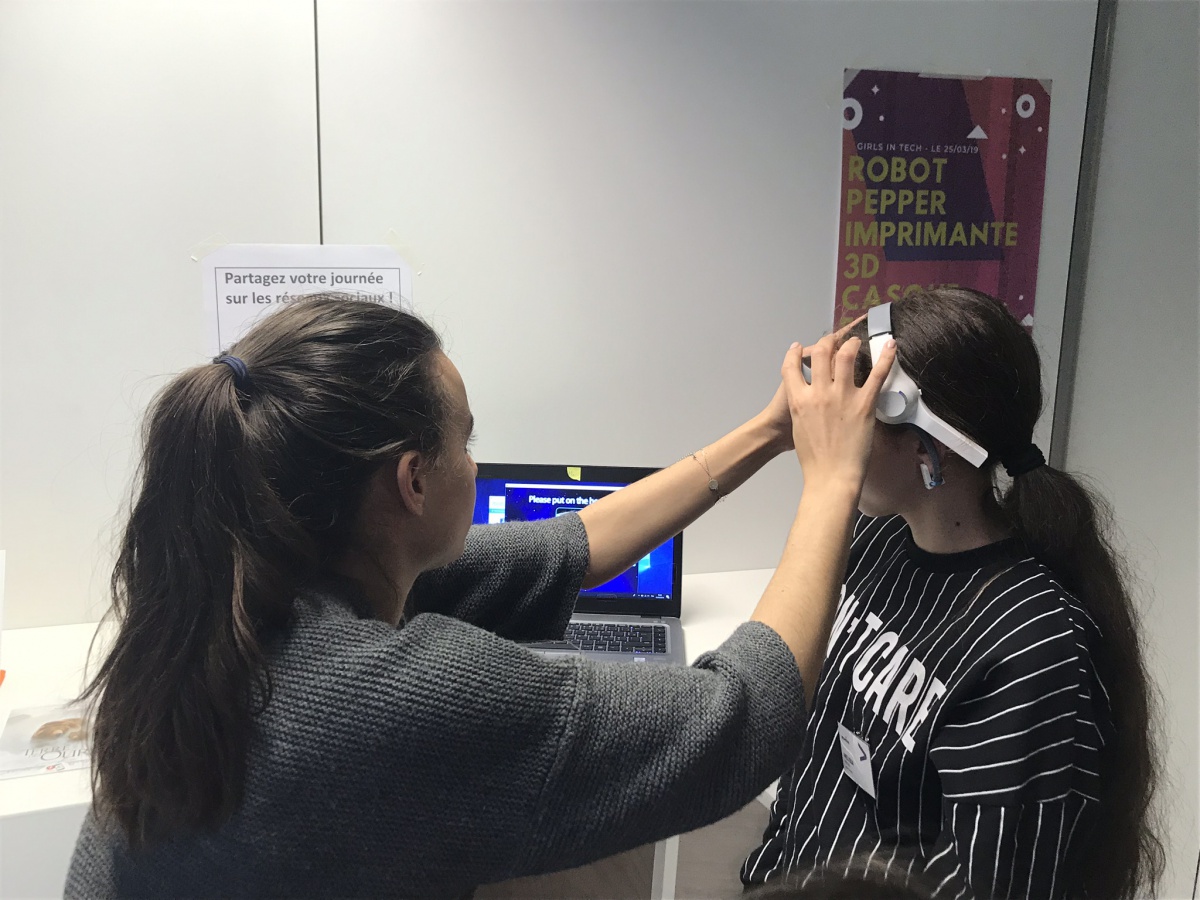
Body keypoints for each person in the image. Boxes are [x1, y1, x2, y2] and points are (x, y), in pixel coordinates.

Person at [66, 293, 896, 899]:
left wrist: (771, 431)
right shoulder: (395, 698)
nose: (476, 463)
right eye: (467, 442)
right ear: (412, 481)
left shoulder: (238, 598)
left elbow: (572, 545)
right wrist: (831, 482)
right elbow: (742, 720)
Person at [740, 288, 1163, 900]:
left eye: (856, 419)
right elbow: (818, 755)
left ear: (927, 447)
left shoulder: (1031, 651)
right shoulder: (879, 538)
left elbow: (990, 880)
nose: (835, 439)